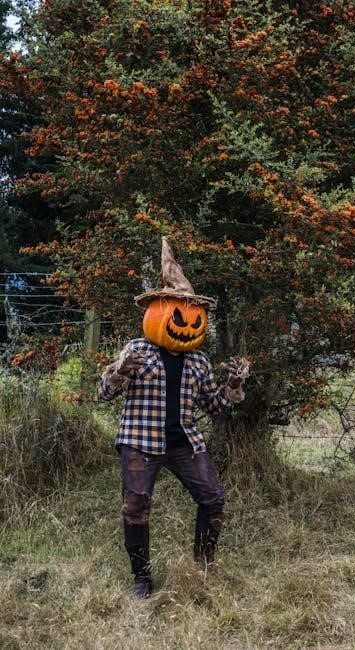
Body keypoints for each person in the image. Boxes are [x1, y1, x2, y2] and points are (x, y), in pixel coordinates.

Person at [100, 237, 250, 598]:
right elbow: (103, 393)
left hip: (184, 442)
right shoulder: (136, 350)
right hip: (140, 440)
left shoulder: (198, 361)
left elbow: (213, 406)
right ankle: (142, 578)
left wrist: (232, 386)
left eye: (195, 317)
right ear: (158, 311)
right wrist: (120, 372)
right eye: (179, 314)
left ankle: (203, 568)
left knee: (213, 498)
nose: (188, 323)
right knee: (136, 505)